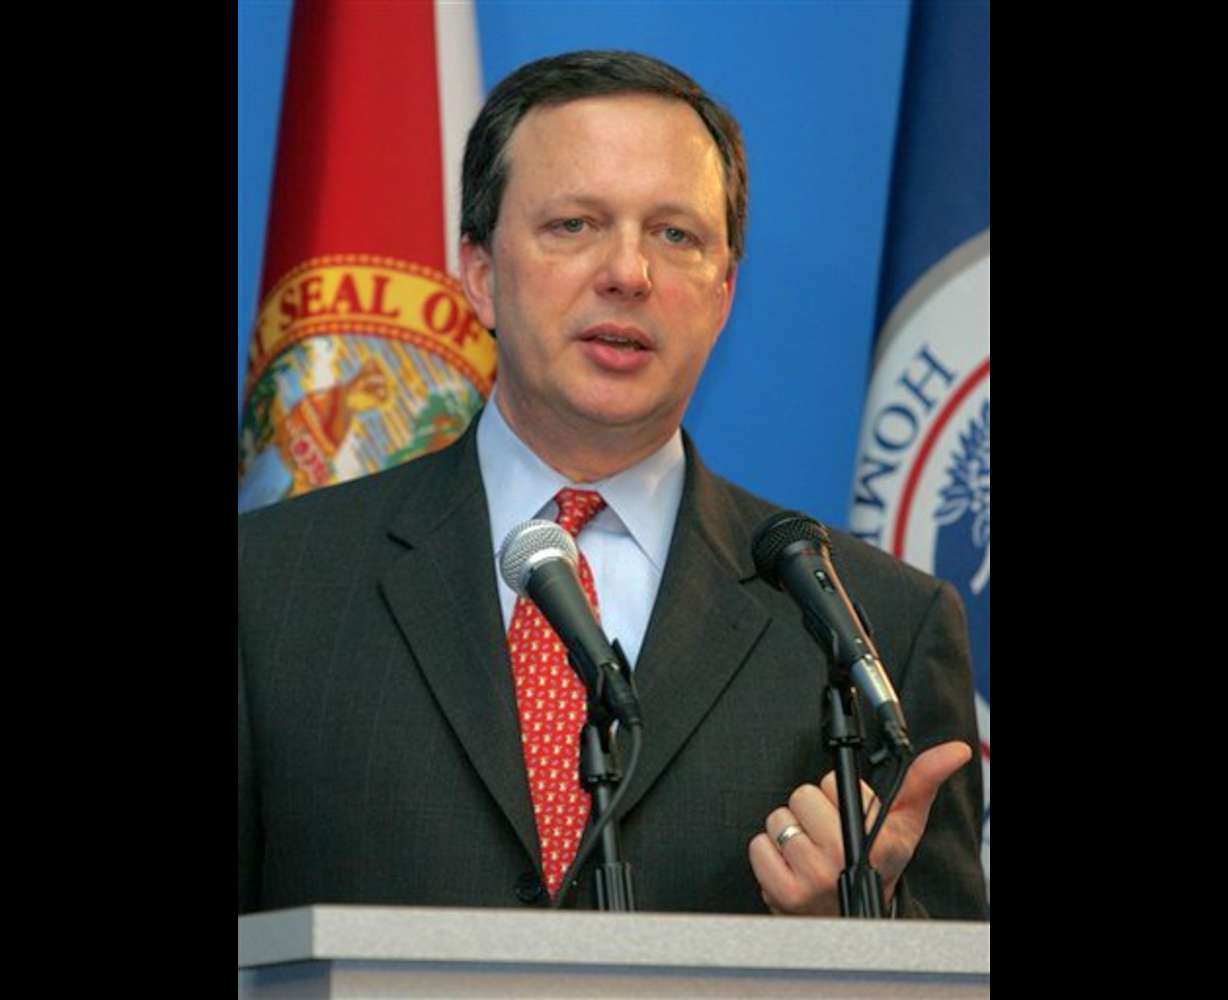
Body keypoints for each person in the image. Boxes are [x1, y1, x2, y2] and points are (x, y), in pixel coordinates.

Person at [239, 49, 988, 919]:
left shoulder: (874, 627)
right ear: (479, 274)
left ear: (723, 294)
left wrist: (855, 930)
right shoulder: (270, 591)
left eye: (676, 235)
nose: (628, 273)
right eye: (575, 225)